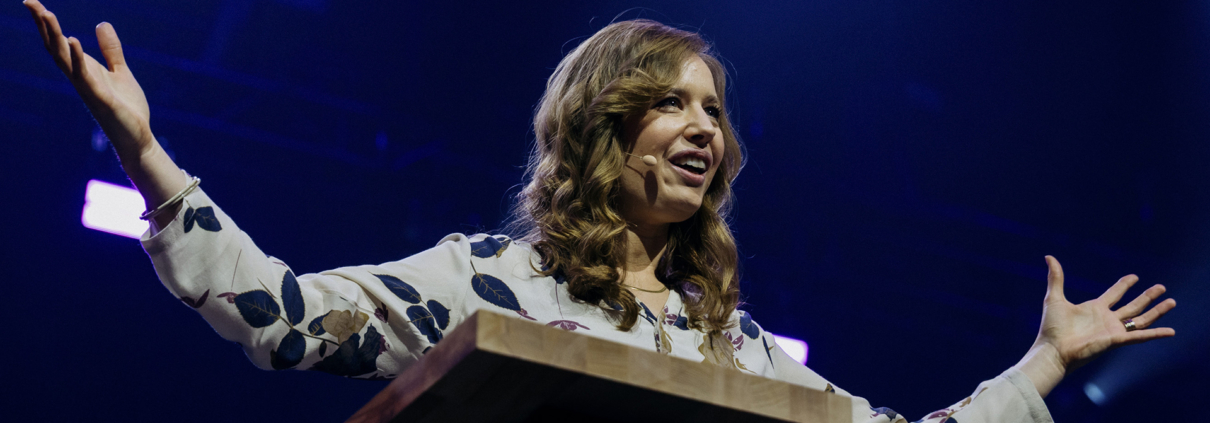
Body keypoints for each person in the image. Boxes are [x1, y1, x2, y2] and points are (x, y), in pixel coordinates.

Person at [23, 0, 1178, 421]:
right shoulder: (487, 283)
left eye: (715, 111)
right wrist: (146, 153)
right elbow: (279, 319)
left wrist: (1040, 366)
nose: (703, 127)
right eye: (670, 102)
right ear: (599, 129)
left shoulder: (736, 349)